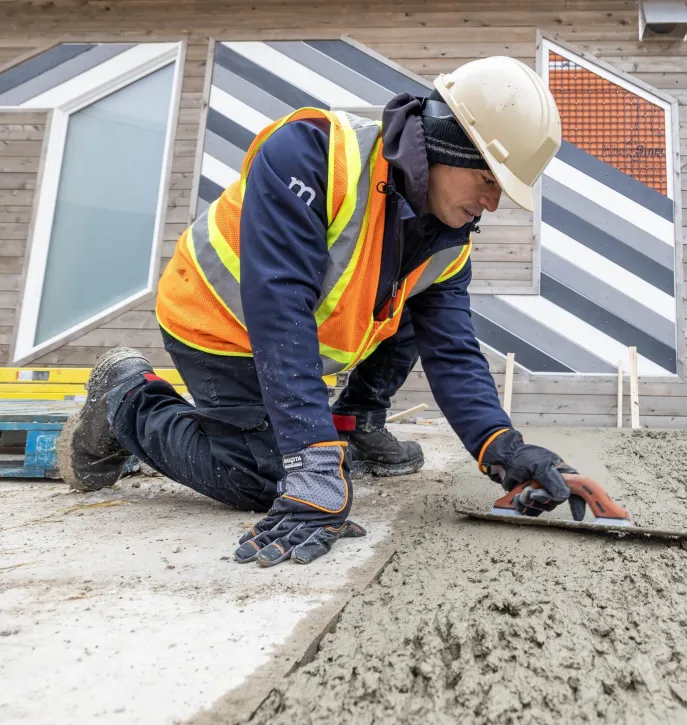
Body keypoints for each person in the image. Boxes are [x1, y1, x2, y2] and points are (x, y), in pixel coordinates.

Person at [58, 56, 581, 567]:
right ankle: (127, 399)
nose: (493, 203)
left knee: (416, 313)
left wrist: (504, 450)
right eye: (490, 180)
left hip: (294, 336)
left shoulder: (447, 242)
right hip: (219, 322)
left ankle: (352, 422)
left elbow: (454, 352)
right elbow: (280, 308)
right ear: (449, 144)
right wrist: (310, 460)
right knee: (265, 477)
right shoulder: (313, 154)